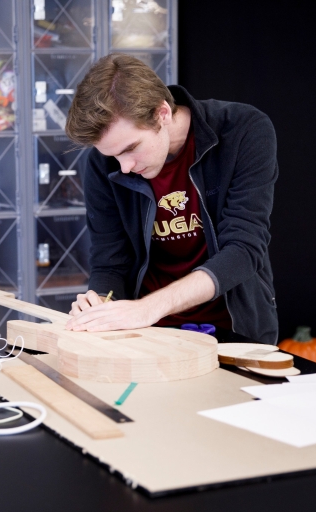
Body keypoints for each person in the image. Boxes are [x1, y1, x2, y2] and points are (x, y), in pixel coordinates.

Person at [63, 54, 278, 344]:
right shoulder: (103, 165)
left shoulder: (243, 130)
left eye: (131, 148)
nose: (124, 167)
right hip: (148, 335)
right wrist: (100, 302)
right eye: (113, 155)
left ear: (161, 113)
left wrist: (148, 308)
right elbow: (110, 262)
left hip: (234, 331)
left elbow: (243, 249)